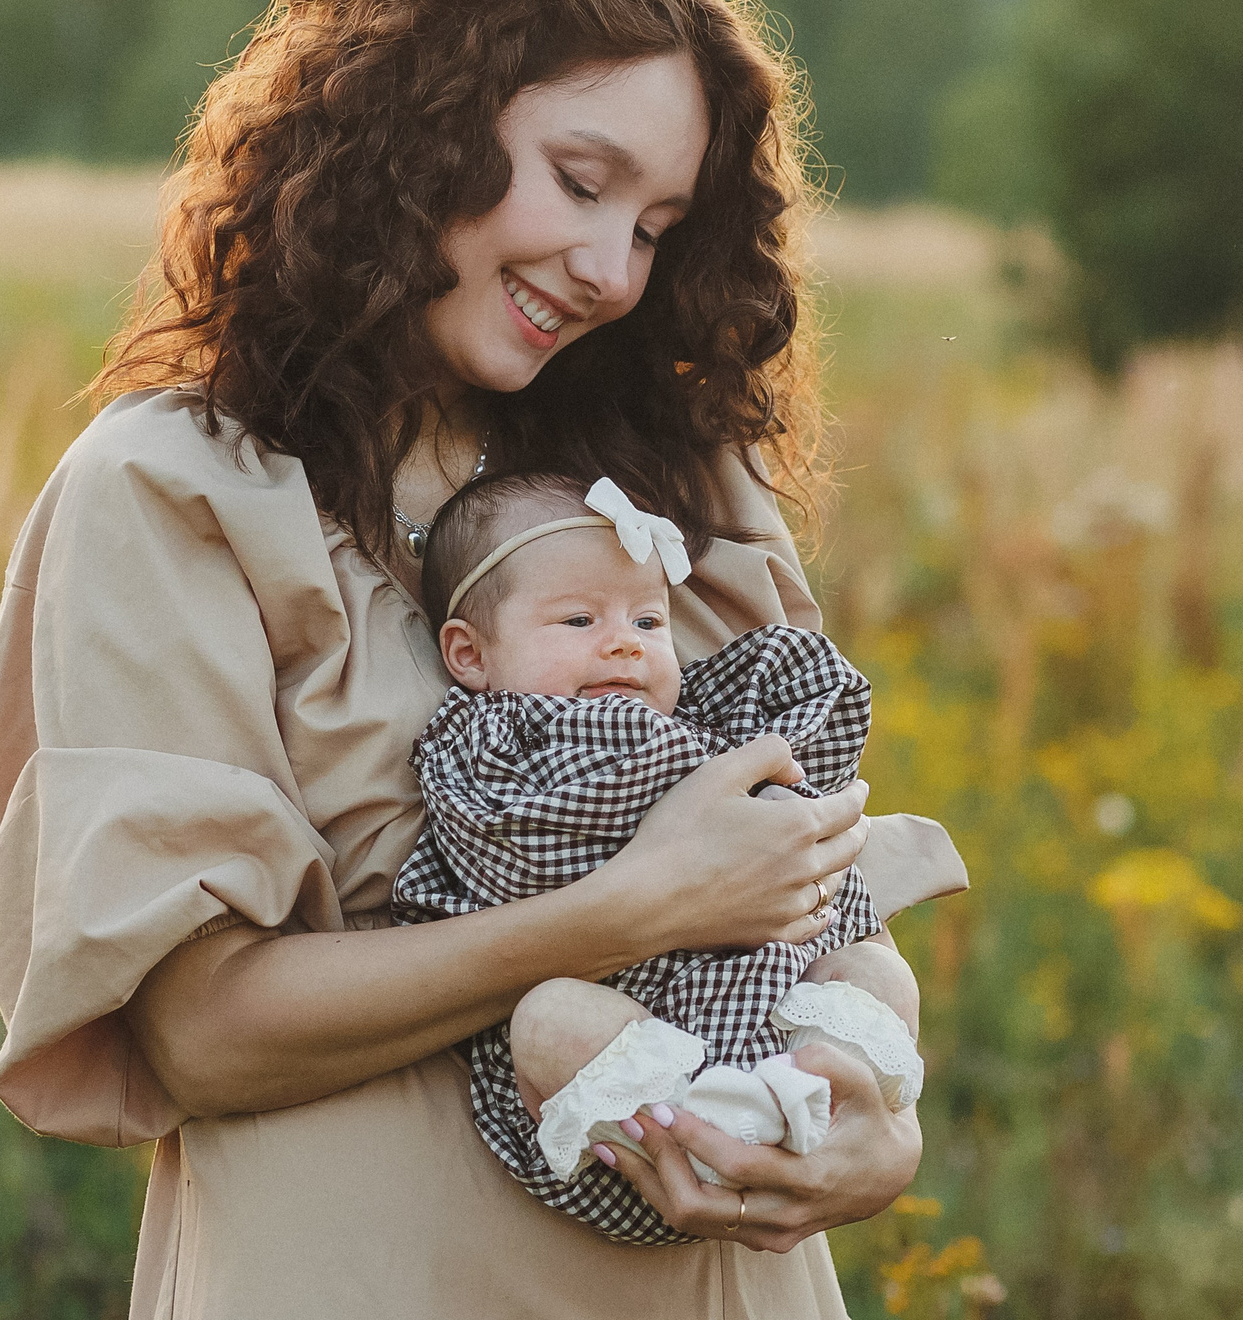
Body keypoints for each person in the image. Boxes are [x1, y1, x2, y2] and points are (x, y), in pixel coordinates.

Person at [0, 0, 966, 1320]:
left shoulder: (679, 492)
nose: (613, 269)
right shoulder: (177, 491)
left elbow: (816, 886)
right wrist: (624, 908)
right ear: (417, 131)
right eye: (577, 182)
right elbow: (197, 1026)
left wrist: (875, 1120)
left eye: (655, 225)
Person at [393, 471, 929, 1246]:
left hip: (766, 1013)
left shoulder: (714, 719)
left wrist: (777, 814)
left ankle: (824, 1087)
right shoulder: (494, 751)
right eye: (579, 619)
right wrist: (672, 857)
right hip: (629, 1056)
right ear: (470, 655)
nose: (624, 641)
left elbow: (819, 877)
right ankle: (702, 1125)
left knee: (880, 972)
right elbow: (503, 860)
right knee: (547, 1020)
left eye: (649, 619)